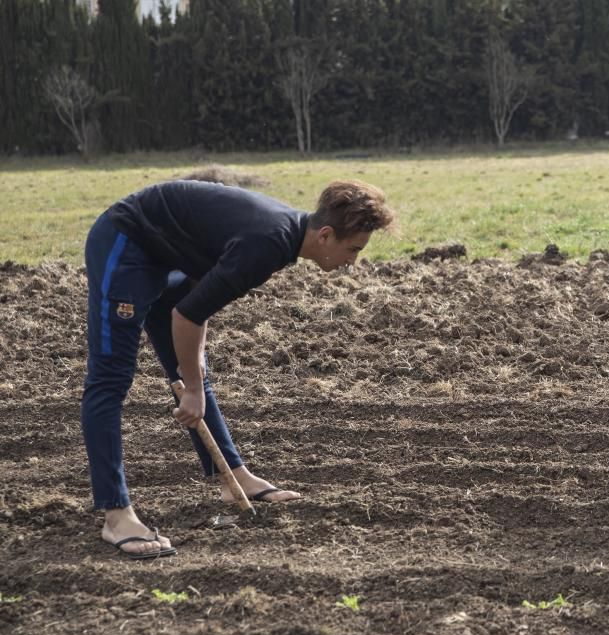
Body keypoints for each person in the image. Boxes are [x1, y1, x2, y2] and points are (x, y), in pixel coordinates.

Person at [82, 179, 394, 560]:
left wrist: (193, 376)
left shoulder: (284, 237)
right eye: (353, 250)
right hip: (126, 241)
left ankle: (233, 477)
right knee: (110, 379)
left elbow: (197, 306)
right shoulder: (267, 244)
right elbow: (187, 316)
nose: (352, 262)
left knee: (194, 369)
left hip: (165, 254)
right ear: (326, 235)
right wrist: (192, 389)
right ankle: (116, 515)